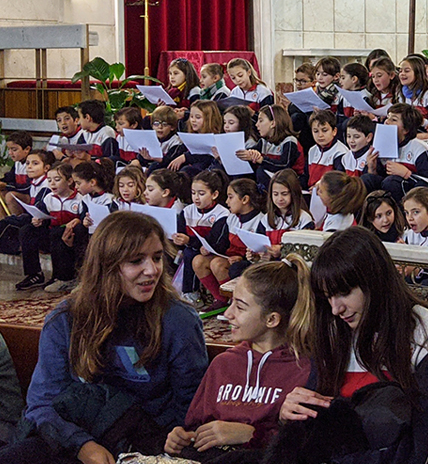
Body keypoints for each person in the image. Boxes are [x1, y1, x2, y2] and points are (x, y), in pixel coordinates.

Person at [0, 212, 209, 464]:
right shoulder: (66, 319)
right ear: (107, 265)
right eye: (136, 261)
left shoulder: (178, 319)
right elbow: (41, 403)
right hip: (75, 437)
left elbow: (192, 407)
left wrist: (176, 437)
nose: (152, 270)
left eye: (156, 258)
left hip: (147, 443)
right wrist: (83, 446)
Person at [276, 227, 428, 464]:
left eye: (344, 293)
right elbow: (317, 418)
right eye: (328, 297)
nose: (336, 309)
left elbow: (423, 450)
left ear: (374, 281)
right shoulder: (333, 329)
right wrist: (290, 414)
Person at [166, 256, 312, 463]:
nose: (228, 313)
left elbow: (305, 447)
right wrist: (180, 438)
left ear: (271, 319)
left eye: (240, 307)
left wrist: (250, 434)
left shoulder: (303, 369)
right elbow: (194, 427)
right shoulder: (223, 364)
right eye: (231, 302)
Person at [16, 162, 85, 292]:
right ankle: (34, 274)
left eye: (57, 180)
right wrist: (37, 220)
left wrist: (77, 221)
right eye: (49, 180)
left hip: (69, 238)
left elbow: (82, 220)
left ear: (70, 181)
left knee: (57, 233)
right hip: (52, 236)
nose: (52, 184)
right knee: (27, 230)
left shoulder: (79, 199)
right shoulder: (49, 198)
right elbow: (42, 216)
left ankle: (62, 277)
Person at [174, 170, 231, 315]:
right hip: (195, 251)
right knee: (192, 256)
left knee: (193, 255)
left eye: (201, 193)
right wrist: (179, 240)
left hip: (218, 253)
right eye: (193, 193)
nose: (196, 198)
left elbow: (218, 242)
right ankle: (219, 298)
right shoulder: (187, 211)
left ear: (214, 194)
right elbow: (181, 233)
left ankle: (192, 292)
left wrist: (190, 242)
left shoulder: (222, 214)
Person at [199, 178, 265, 295]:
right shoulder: (231, 218)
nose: (226, 202)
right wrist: (207, 248)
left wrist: (242, 259)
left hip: (248, 262)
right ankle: (219, 298)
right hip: (230, 258)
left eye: (230, 197)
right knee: (198, 261)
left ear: (245, 199)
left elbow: (259, 254)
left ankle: (232, 298)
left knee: (217, 264)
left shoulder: (260, 221)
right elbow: (223, 244)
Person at [371, 104, 428, 201]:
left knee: (391, 182)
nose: (386, 122)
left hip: (415, 196)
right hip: (388, 192)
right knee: (367, 179)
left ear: (406, 129)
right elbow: (379, 180)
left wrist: (407, 174)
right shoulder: (382, 146)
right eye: (387, 118)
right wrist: (372, 169)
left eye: (393, 120)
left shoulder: (421, 149)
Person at [239, 104, 303, 190]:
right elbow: (249, 155)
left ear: (273, 123)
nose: (257, 125)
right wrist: (248, 155)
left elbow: (284, 166)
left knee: (261, 171)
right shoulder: (263, 142)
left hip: (290, 183)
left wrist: (261, 160)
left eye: (261, 121)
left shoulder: (290, 141)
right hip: (273, 180)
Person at [256, 169, 315, 259]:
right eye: (275, 194)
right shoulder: (266, 219)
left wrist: (283, 251)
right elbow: (260, 247)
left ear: (294, 194)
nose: (280, 198)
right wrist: (256, 255)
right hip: (270, 266)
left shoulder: (304, 219)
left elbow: (307, 251)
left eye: (284, 194)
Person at [170, 100, 223, 177]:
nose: (193, 120)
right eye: (191, 117)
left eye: (198, 117)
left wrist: (186, 157)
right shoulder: (192, 135)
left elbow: (207, 157)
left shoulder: (217, 139)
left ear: (209, 119)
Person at [306, 109, 348, 189]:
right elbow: (306, 176)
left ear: (334, 131)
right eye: (316, 131)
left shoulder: (340, 152)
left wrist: (319, 187)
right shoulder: (312, 150)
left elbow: (337, 180)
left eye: (324, 130)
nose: (320, 135)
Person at [0, 132, 37, 218]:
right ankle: (3, 221)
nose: (10, 153)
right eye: (9, 149)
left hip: (30, 196)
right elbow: (10, 178)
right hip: (20, 192)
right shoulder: (17, 162)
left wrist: (7, 186)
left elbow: (28, 187)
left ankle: (17, 222)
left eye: (14, 150)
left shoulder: (31, 164)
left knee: (10, 196)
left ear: (27, 149)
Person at [139, 106, 185, 173]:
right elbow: (141, 157)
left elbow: (169, 161)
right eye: (156, 124)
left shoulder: (176, 142)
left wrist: (154, 158)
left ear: (172, 127)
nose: (160, 127)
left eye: (164, 124)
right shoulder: (150, 139)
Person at [399, 55, 428, 121]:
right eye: (400, 71)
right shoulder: (400, 94)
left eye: (407, 71)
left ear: (418, 73)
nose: (402, 74)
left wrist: (422, 122)